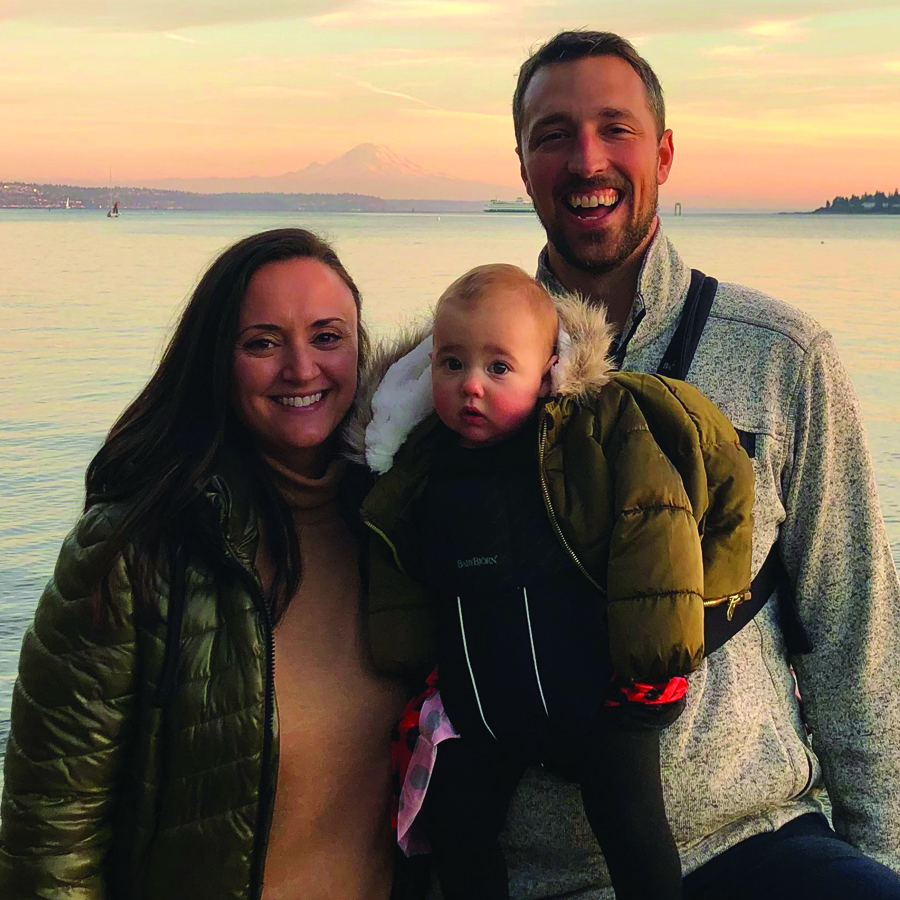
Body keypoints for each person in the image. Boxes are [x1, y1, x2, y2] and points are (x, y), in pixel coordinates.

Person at [496, 28, 900, 900]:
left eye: (617, 128)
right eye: (554, 134)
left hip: (754, 843)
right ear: (523, 165)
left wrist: (880, 860)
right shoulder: (465, 374)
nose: (587, 159)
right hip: (535, 874)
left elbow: (856, 635)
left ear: (665, 154)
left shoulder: (779, 354)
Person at [0, 228, 408, 900]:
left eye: (327, 336)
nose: (301, 369)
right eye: (262, 342)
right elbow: (48, 842)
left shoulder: (396, 526)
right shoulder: (131, 554)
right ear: (216, 360)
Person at [348, 263, 755, 900]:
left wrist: (655, 661)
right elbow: (402, 567)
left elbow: (653, 526)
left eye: (498, 368)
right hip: (485, 705)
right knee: (459, 825)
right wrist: (417, 665)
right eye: (451, 364)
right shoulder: (421, 464)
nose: (470, 387)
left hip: (599, 696)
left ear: (547, 372)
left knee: (630, 820)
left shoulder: (583, 440)